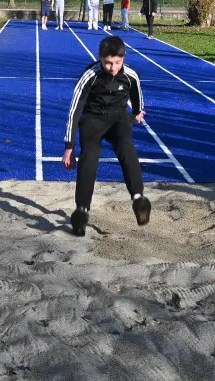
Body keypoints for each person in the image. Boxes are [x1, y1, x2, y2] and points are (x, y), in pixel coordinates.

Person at [61, 35, 150, 236]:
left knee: (126, 147)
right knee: (89, 157)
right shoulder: (90, 75)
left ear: (123, 58)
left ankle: (139, 200)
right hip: (93, 120)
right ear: (100, 57)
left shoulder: (130, 75)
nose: (113, 68)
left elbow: (137, 96)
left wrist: (137, 112)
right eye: (108, 63)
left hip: (118, 119)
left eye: (117, 63)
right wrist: (69, 146)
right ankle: (82, 211)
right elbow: (74, 110)